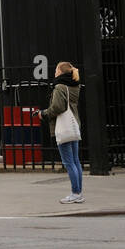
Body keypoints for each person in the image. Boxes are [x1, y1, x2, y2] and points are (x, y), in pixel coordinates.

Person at [43, 61, 83, 204]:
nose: (54, 73)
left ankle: (75, 193)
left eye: (56, 70)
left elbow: (57, 107)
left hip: (63, 127)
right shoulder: (74, 85)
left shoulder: (60, 87)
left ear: (61, 72)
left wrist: (43, 113)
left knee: (69, 162)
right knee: (76, 161)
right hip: (73, 125)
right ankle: (79, 192)